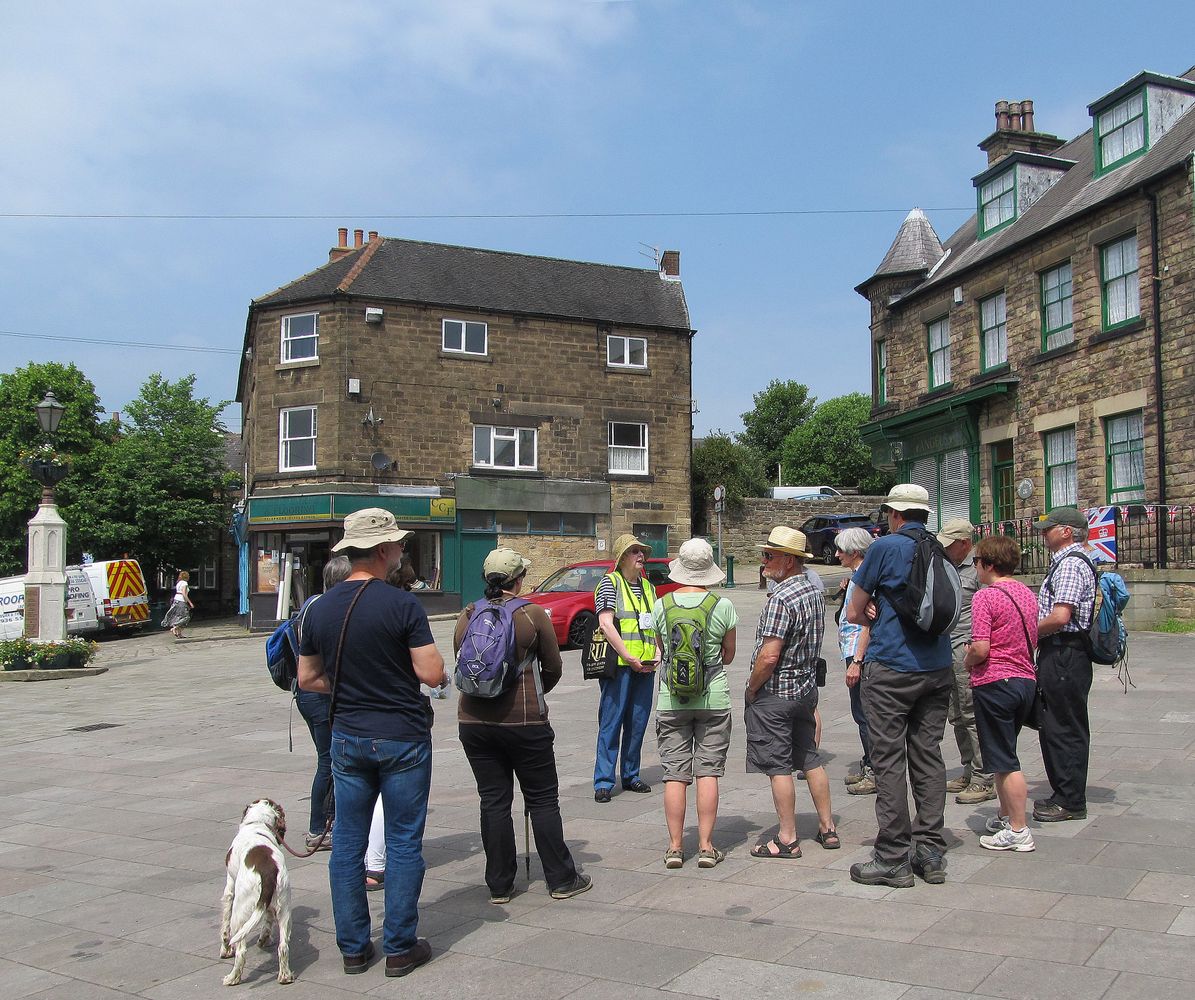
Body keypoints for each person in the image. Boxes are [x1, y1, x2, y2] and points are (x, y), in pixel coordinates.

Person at [298, 508, 446, 979]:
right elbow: (433, 673)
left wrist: (350, 684)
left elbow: (307, 678)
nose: (402, 552)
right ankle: (400, 947)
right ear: (383, 551)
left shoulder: (319, 608)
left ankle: (355, 950)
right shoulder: (403, 605)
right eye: (399, 545)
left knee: (347, 844)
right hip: (401, 736)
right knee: (402, 842)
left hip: (347, 737)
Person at [455, 547, 591, 903]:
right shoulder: (531, 615)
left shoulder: (469, 613)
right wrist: (536, 692)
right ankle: (561, 879)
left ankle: (499, 885)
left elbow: (460, 659)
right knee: (543, 799)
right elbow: (554, 666)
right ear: (519, 579)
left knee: (493, 800)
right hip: (525, 721)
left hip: (473, 721)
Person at [846, 484, 953, 888]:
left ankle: (893, 856)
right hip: (938, 668)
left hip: (891, 667)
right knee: (928, 756)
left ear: (894, 514)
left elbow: (855, 611)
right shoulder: (939, 547)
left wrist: (872, 607)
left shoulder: (885, 547)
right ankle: (929, 850)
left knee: (889, 760)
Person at [745, 526, 838, 858]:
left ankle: (787, 838)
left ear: (789, 560)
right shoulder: (812, 591)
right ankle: (827, 828)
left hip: (777, 693)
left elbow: (769, 654)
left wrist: (752, 688)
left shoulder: (782, 597)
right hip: (805, 689)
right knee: (810, 757)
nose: (763, 561)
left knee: (779, 765)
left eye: (769, 555)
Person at [651, 538, 738, 869]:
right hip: (713, 696)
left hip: (671, 699)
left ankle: (674, 847)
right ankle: (705, 846)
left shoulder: (662, 605)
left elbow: (662, 649)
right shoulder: (723, 606)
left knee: (674, 774)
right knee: (708, 773)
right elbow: (728, 656)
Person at [963, 535, 1040, 852]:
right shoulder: (1026, 593)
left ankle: (1019, 830)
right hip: (1025, 680)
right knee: (1000, 753)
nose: (975, 568)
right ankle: (1007, 815)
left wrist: (968, 658)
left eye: (978, 562)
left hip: (995, 682)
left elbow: (981, 647)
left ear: (989, 564)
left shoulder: (985, 597)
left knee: (1005, 760)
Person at [1033, 506, 1097, 823]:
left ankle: (1071, 801)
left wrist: (1026, 630)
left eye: (1048, 528)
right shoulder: (1067, 563)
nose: (1043, 534)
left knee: (1064, 726)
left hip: (1064, 654)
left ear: (1066, 531)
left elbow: (1060, 617)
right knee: (1057, 724)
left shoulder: (1070, 565)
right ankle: (1064, 793)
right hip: (1062, 654)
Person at [593, 533, 658, 802]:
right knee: (611, 722)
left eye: (642, 551)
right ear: (622, 558)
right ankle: (604, 781)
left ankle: (631, 775)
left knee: (638, 722)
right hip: (619, 666)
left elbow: (654, 625)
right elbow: (606, 624)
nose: (641, 556)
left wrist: (657, 653)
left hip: (645, 666)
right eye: (634, 552)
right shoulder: (610, 584)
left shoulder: (649, 587)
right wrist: (629, 656)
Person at [295, 555, 352, 851]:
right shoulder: (325, 610)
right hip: (318, 693)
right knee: (327, 761)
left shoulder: (313, 604)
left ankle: (329, 821)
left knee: (329, 759)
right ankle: (318, 829)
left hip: (309, 694)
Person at [938, 519, 996, 805]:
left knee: (971, 713)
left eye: (950, 544)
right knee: (956, 714)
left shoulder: (977, 570)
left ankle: (984, 776)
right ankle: (968, 768)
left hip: (966, 648)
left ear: (964, 543)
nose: (946, 549)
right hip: (945, 647)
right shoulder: (948, 566)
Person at [834, 527, 876, 796]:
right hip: (851, 651)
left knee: (864, 714)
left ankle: (874, 770)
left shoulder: (863, 579)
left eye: (841, 550)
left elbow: (866, 624)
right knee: (861, 713)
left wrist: (857, 661)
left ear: (855, 553)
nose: (836, 554)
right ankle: (869, 763)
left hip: (857, 653)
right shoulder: (856, 578)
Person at [163, 570, 195, 639]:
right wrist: (190, 602)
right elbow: (184, 594)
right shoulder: (185, 583)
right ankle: (175, 627)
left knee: (179, 616)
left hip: (176, 600)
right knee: (186, 617)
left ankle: (179, 633)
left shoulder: (179, 583)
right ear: (186, 577)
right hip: (181, 601)